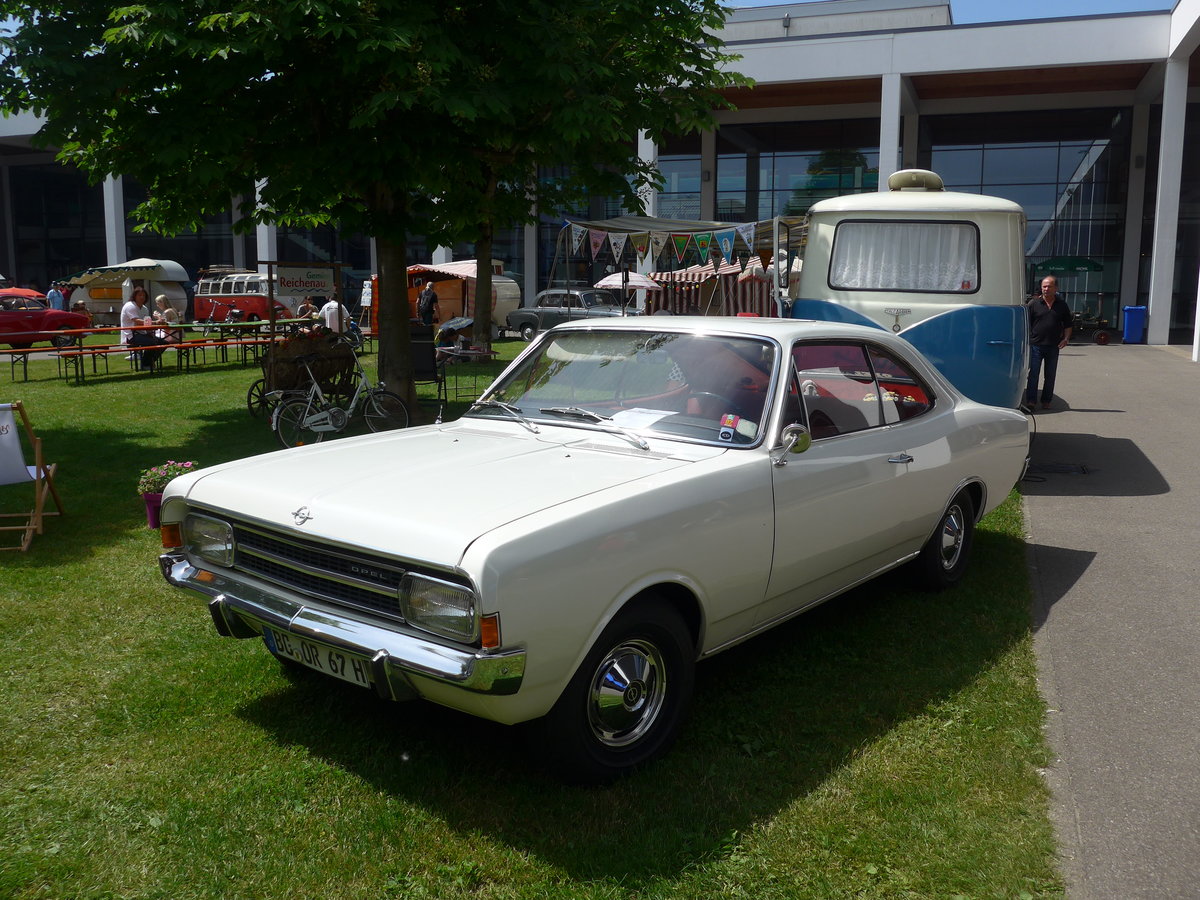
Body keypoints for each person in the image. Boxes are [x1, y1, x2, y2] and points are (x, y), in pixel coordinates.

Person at [1026, 275, 1073, 410]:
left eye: (1049, 286)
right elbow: (1025, 323)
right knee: (1033, 374)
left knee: (1050, 375)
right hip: (1036, 345)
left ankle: (1046, 401)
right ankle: (1031, 401)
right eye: (1044, 287)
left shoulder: (1062, 305)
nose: (1046, 289)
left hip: (1054, 346)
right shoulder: (1033, 304)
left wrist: (1066, 339)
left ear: (1056, 288)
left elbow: (1068, 325)